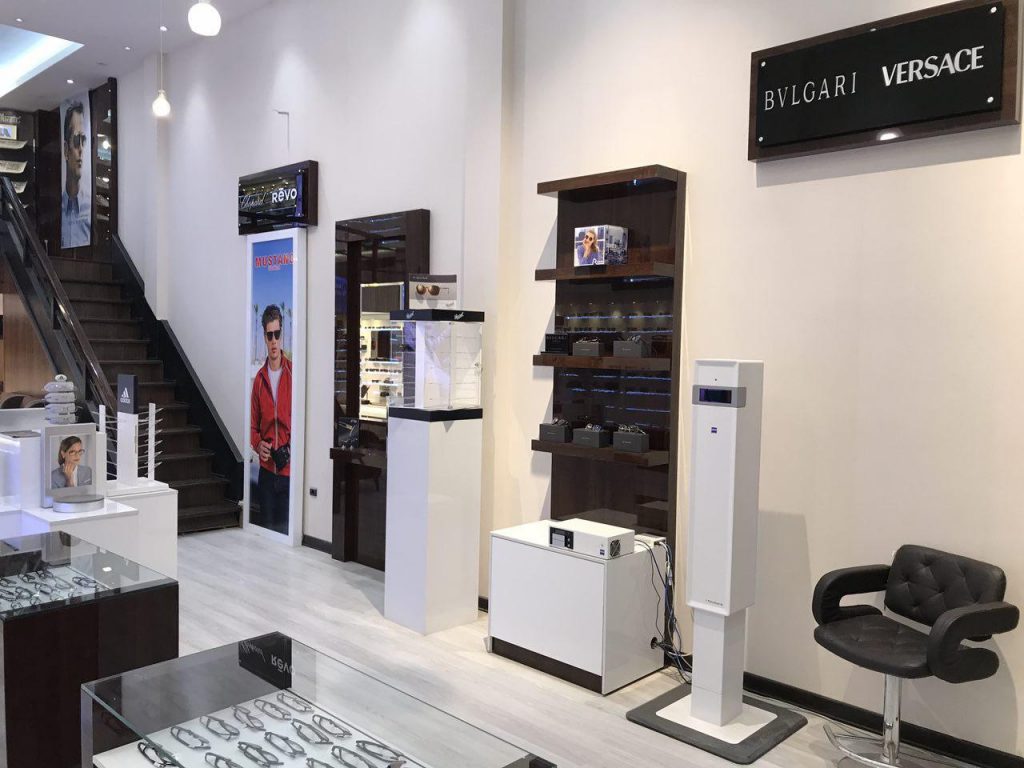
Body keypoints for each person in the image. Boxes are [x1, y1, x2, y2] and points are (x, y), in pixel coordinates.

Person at [250, 304, 292, 533]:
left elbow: (299, 421)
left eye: (277, 334)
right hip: (266, 474)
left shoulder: (293, 374)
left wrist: (291, 449)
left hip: (288, 473)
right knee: (265, 534)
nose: (274, 341)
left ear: (281, 334)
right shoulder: (259, 380)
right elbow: (252, 426)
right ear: (265, 338)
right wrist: (258, 445)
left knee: (284, 531)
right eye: (269, 335)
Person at [61, 101, 91, 248]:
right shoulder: (58, 210)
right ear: (66, 150)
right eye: (76, 140)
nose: (81, 149)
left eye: (83, 141)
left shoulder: (90, 209)